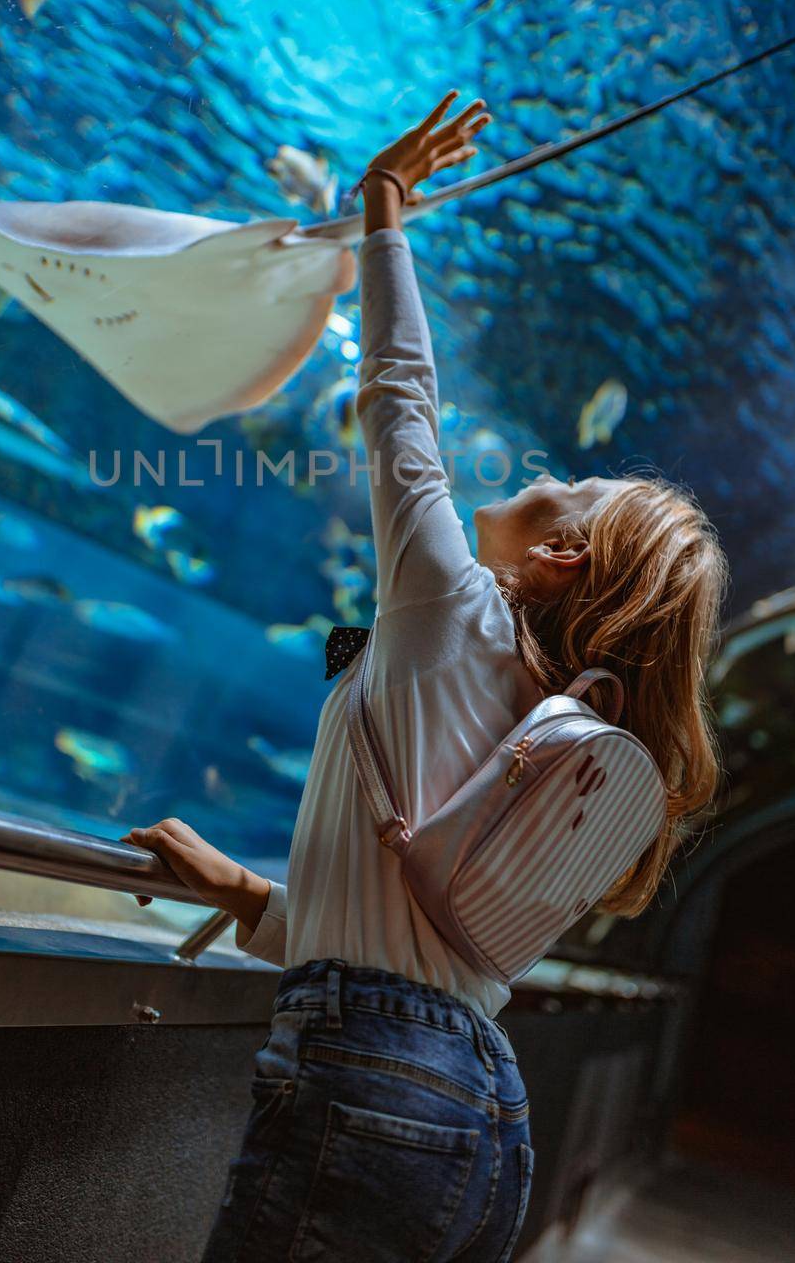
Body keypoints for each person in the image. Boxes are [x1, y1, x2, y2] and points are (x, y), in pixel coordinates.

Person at [124, 90, 728, 1262]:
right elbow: (420, 948)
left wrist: (381, 210)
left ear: (559, 560)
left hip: (370, 1091)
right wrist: (249, 899)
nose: (551, 470)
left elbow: (397, 398)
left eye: (575, 487)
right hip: (482, 1119)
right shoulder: (552, 744)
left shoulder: (451, 613)